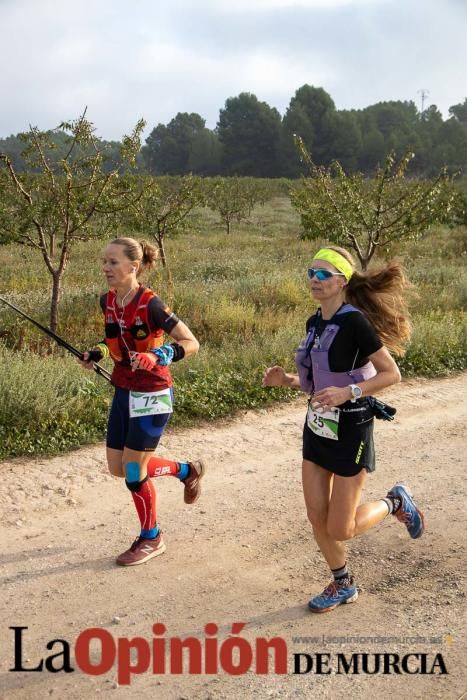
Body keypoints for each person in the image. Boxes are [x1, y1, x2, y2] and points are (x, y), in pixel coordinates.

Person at [262, 245, 424, 613]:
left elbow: (390, 374)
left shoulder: (355, 323)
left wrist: (348, 392)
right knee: (316, 517)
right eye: (311, 272)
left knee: (342, 528)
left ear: (341, 281)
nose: (314, 280)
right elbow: (318, 383)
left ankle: (395, 502)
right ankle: (342, 583)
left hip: (352, 427)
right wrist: (285, 380)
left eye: (323, 274)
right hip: (317, 427)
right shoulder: (314, 322)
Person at [80, 237, 205, 567]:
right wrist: (97, 353)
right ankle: (185, 470)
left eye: (113, 262)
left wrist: (159, 354)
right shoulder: (107, 300)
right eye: (104, 262)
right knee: (118, 468)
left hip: (152, 393)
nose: (106, 268)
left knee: (134, 471)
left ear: (133, 267)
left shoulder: (151, 304)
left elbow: (190, 342)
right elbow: (114, 341)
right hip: (123, 389)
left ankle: (152, 537)